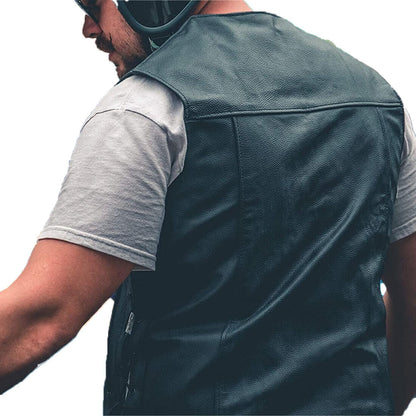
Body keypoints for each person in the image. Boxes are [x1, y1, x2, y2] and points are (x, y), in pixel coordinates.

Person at [0, 0, 415, 414]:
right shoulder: (380, 101)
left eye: (94, 5)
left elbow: (41, 318)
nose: (89, 29)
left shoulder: (146, 110)